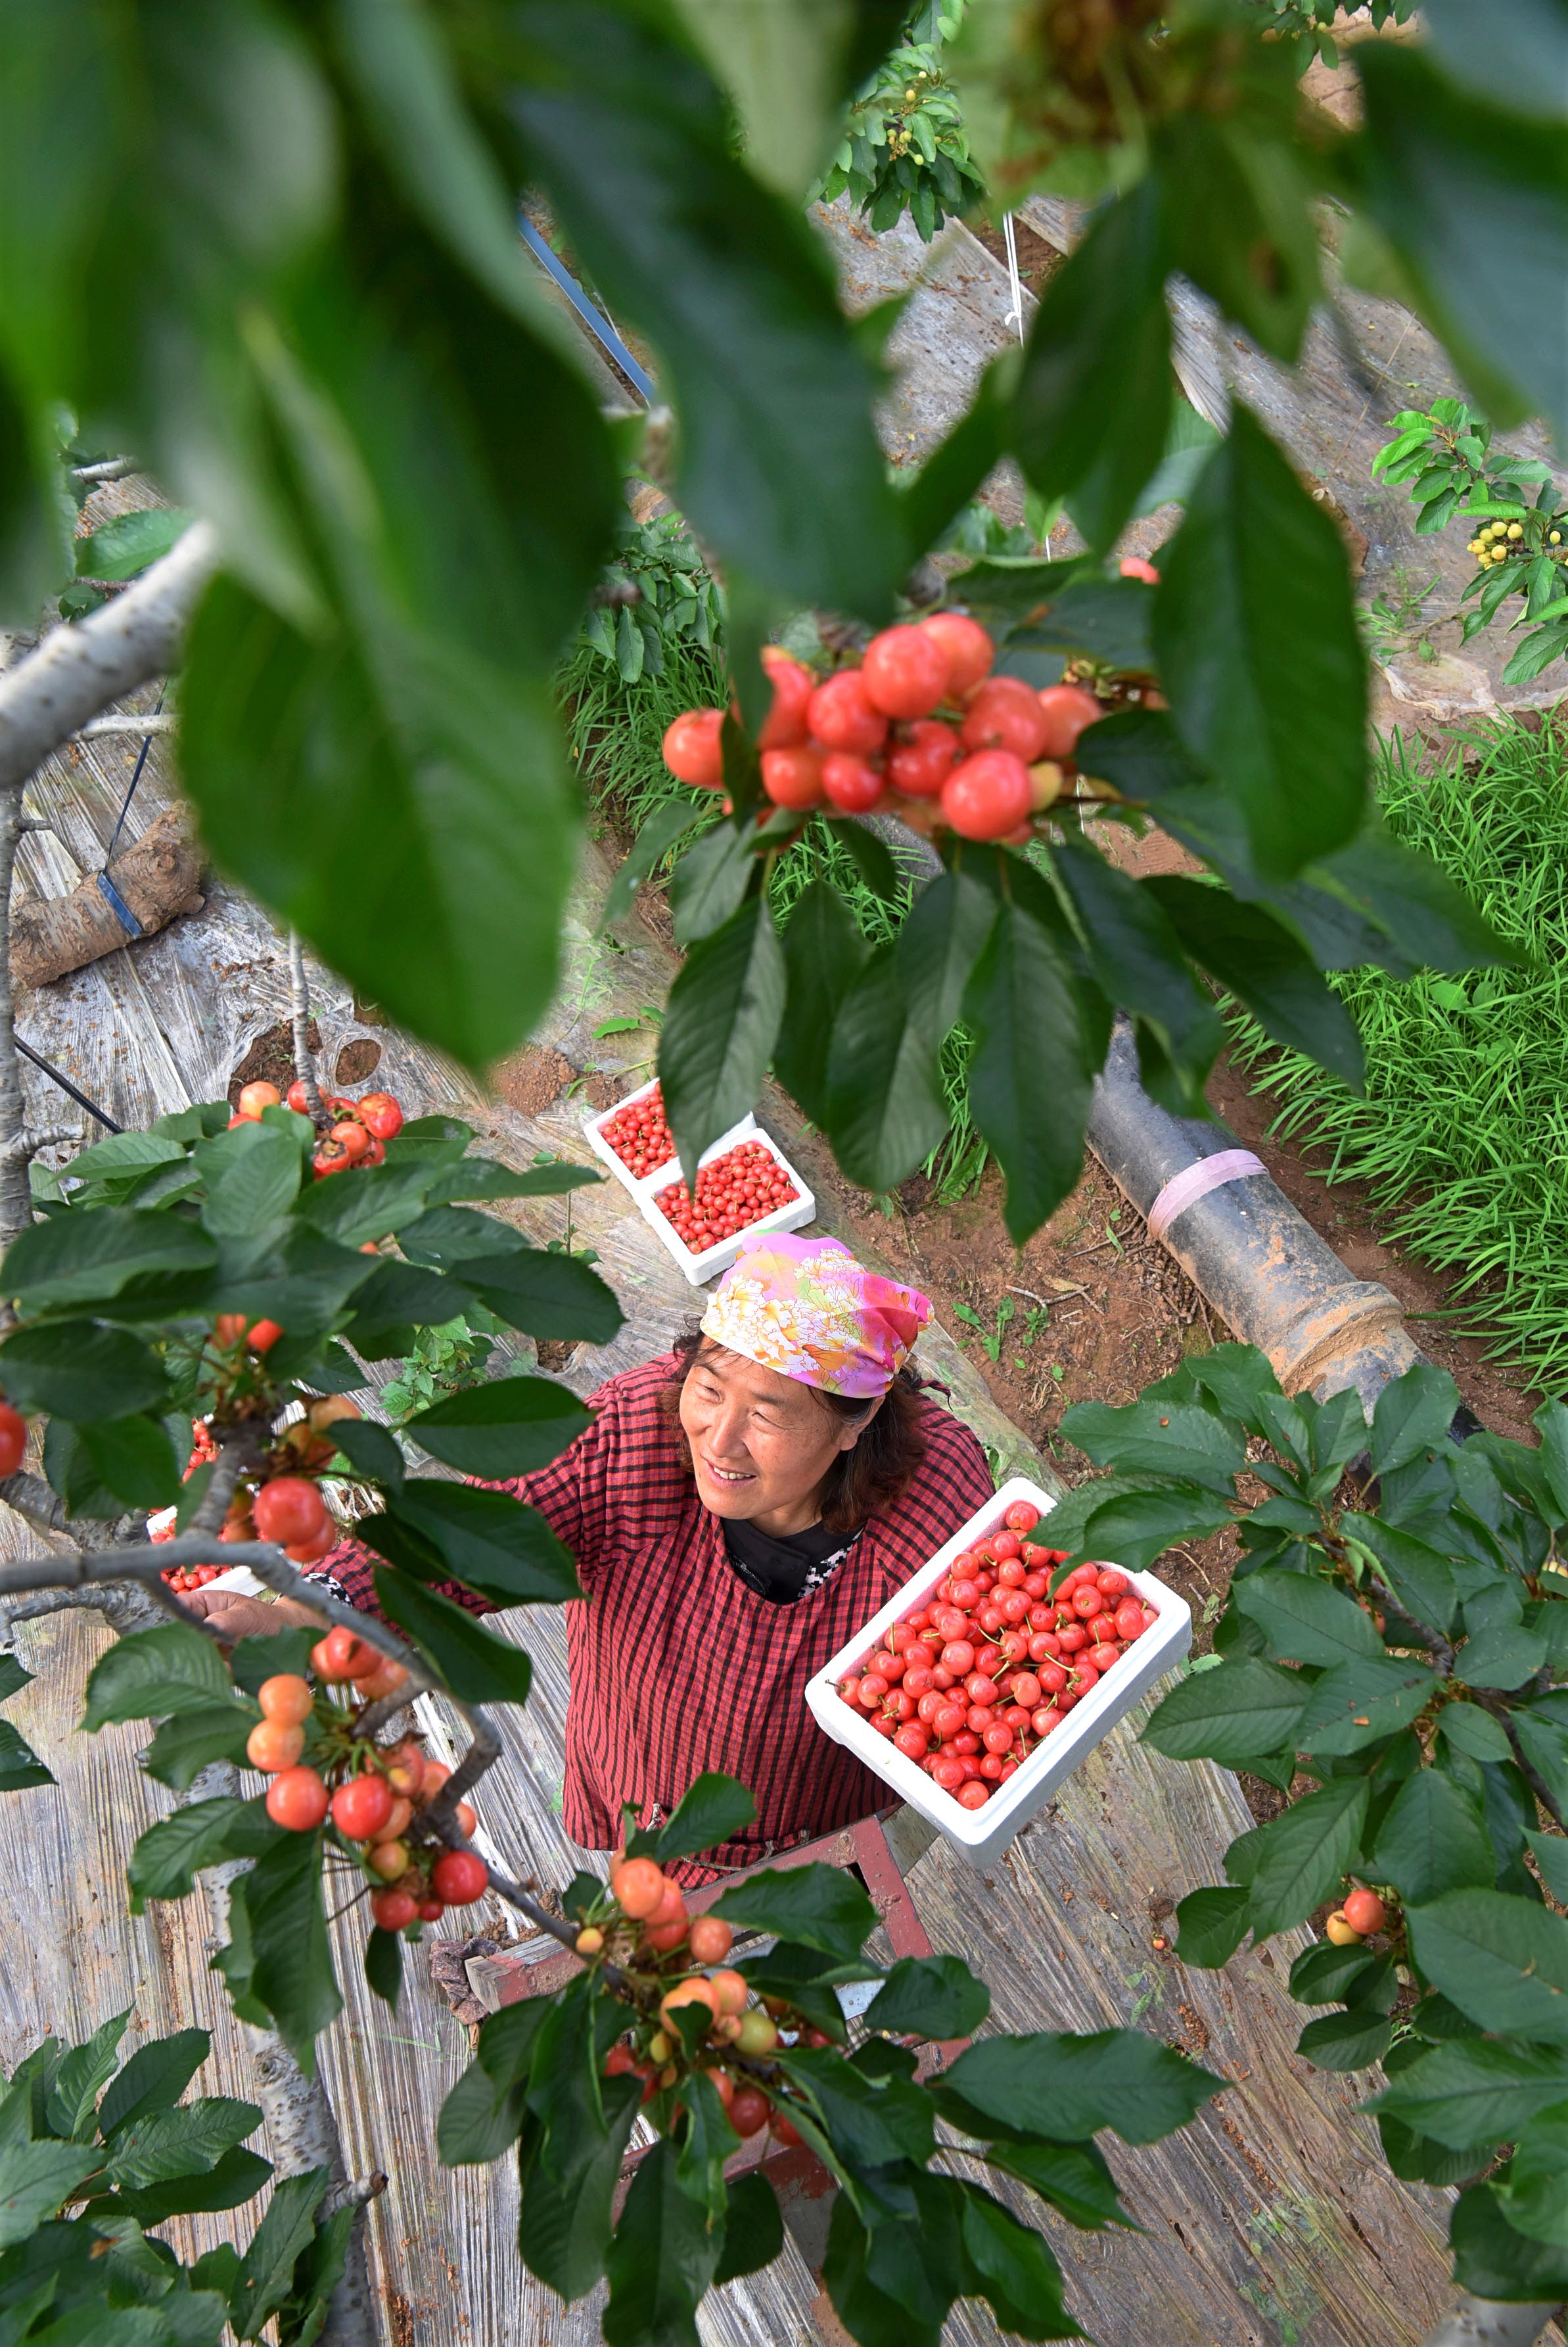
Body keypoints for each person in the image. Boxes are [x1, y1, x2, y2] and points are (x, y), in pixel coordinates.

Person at [189, 1232, 995, 1884]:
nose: (720, 1440)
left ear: (856, 1422)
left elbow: (987, 1658)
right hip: (649, 1787)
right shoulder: (632, 1437)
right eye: (710, 1389)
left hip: (827, 1820)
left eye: (768, 1414)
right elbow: (478, 1529)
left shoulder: (939, 1501)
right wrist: (300, 1612)